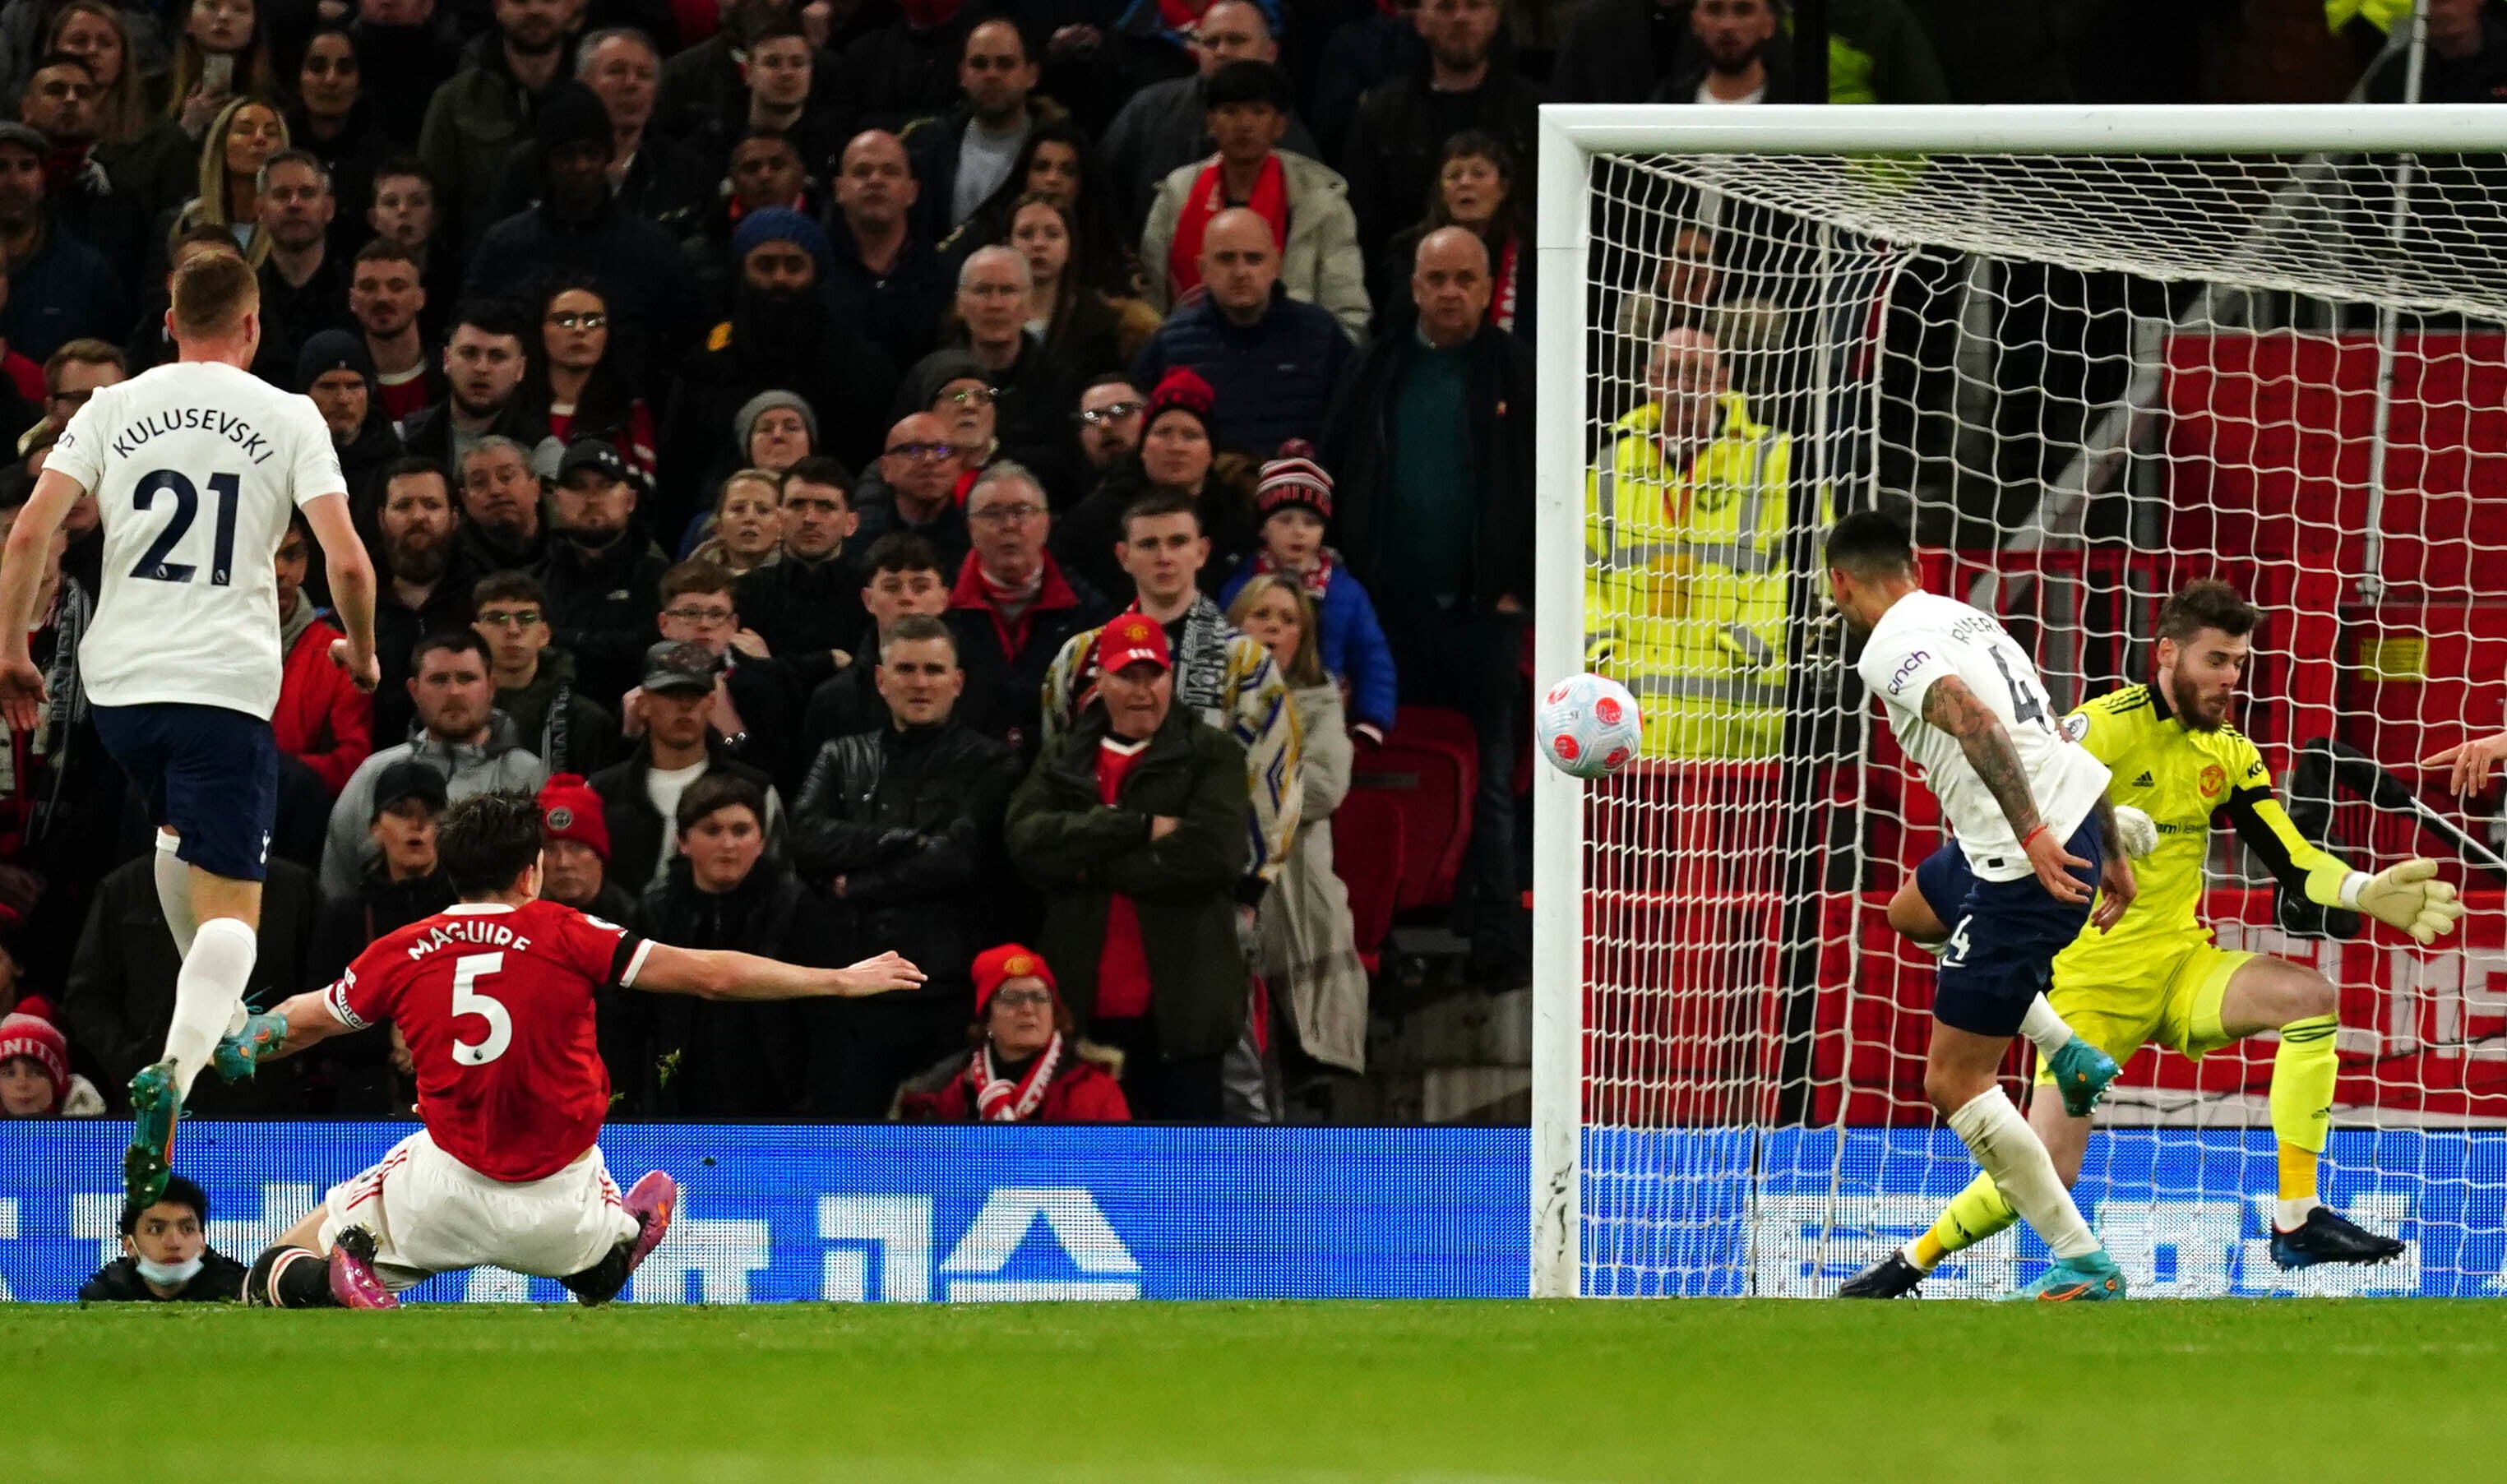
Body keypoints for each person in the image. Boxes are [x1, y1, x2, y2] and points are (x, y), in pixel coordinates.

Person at [1840, 580, 2457, 1298]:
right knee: (2047, 1167)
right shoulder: (2097, 726)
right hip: (2089, 987)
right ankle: (1908, 1264)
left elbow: (2290, 857)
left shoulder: (2230, 753)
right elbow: (2018, 806)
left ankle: (2295, 1220)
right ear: (2166, 653)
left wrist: (2362, 891)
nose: (2230, 679)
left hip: (2180, 968)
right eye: (2216, 661)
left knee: (2308, 998)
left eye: (2239, 664)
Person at [0, 248, 378, 1213]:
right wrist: (365, 656)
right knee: (234, 921)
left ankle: (228, 1023)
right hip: (221, 687)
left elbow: (29, 530)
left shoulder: (112, 404)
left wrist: (10, 648)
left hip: (122, 690)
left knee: (180, 840)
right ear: (252, 327)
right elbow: (347, 559)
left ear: (169, 322)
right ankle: (179, 1066)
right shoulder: (289, 414)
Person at [227, 791, 923, 1308]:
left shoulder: (400, 949)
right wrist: (838, 977)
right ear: (531, 870)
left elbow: (306, 1020)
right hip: (560, 1197)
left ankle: (347, 1272)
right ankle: (612, 1247)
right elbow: (713, 976)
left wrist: (234, 1041)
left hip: (440, 1190)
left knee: (271, 1271)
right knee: (589, 1243)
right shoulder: (569, 932)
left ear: (450, 870)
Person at [1822, 509, 2138, 1302]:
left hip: (2021, 869)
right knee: (1910, 913)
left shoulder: (1888, 646)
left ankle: (2082, 1259)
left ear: (1839, 581)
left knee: (1954, 1079)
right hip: (2056, 830)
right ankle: (2068, 1050)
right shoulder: (1967, 616)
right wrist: (2115, 855)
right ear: (1915, 567)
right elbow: (2056, 740)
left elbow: (1975, 720)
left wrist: (2031, 834)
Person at [1324, 225, 1533, 978]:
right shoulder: (1375, 367)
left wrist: (1522, 588)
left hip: (1485, 614)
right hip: (1386, 616)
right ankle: (1388, 920)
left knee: (1497, 774)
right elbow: (1337, 461)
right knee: (1380, 762)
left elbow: (1552, 489)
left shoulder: (1519, 371)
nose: (1450, 292)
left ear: (1488, 289)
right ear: (1413, 286)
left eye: (1465, 279)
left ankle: (1495, 931)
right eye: (1436, 278)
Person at [1005, 614, 1250, 1120]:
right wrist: (1135, 827)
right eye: (1126, 676)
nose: (1142, 691)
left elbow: (1216, 856)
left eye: (1153, 675)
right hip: (1081, 1010)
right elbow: (1027, 843)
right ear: (1100, 682)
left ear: (1170, 678)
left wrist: (1086, 866)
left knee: (1182, 1178)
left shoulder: (1212, 754)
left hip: (1183, 1013)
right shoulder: (1064, 757)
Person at [791, 613, 1020, 1116]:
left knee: (940, 1158)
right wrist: (902, 840)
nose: (920, 683)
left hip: (945, 993)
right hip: (849, 992)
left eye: (934, 670)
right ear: (880, 678)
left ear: (957, 682)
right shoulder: (839, 754)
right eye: (907, 669)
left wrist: (855, 884)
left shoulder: (992, 762)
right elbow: (803, 838)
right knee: (846, 1153)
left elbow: (957, 859)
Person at [1041, 488, 1300, 898]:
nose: (1164, 556)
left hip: (1208, 884)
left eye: (1177, 542)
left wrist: (1251, 882)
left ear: (1202, 551)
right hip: (1097, 882)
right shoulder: (1080, 657)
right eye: (1149, 544)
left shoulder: (1246, 662)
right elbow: (1054, 768)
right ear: (1124, 556)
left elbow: (1273, 776)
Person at [625, 773, 837, 1116]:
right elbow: (633, 1018)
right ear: (683, 840)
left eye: (740, 831)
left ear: (761, 841)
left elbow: (824, 1019)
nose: (728, 844)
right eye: (712, 830)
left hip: (780, 1098)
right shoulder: (655, 909)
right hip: (679, 1102)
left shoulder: (795, 905)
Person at [1225, 574, 1367, 1080]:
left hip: (1298, 877)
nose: (1273, 627)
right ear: (1236, 624)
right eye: (1261, 614)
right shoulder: (1204, 701)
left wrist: (1239, 785)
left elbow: (1326, 787)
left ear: (1301, 639)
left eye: (1288, 620)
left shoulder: (1320, 701)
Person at [1140, 61, 1368, 341]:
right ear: (1210, 122)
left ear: (1280, 125)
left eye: (1258, 112)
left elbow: (1347, 309)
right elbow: (1151, 304)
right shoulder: (1177, 192)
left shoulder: (1321, 199)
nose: (1244, 125)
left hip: (1295, 360)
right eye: (1230, 112)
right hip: (1190, 353)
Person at [321, 630, 545, 899]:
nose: (453, 692)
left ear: (492, 687)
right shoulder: (374, 772)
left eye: (467, 678)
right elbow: (337, 881)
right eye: (439, 680)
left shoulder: (528, 774)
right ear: (414, 691)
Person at [1132, 210, 1355, 456]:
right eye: (1226, 259)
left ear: (1276, 265)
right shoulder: (1171, 342)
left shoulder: (1321, 334)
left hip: (1301, 488)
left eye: (1254, 259)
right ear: (1203, 268)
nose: (1240, 272)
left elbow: (1354, 426)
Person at [1339, 0, 1542, 266]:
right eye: (1446, 7)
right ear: (1420, 20)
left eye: (1474, 5)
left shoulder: (1536, 113)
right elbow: (1366, 226)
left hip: (1522, 284)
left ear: (1496, 15)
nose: (1460, 17)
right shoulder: (1381, 116)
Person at [1099, 1, 1321, 229]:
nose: (1222, 51)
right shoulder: (1147, 109)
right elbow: (1100, 189)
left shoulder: (1288, 132)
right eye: (1211, 42)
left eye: (1236, 40)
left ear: (1270, 52)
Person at [590, 639, 785, 891]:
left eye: (695, 693)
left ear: (711, 702)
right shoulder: (600, 793)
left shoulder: (755, 791)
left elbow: (779, 885)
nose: (685, 705)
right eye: (671, 693)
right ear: (644, 703)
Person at [945, 460, 1104, 757]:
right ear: (970, 528)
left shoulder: (1089, 612)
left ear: (1046, 524)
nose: (1009, 525)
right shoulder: (941, 610)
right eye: (993, 514)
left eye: (1022, 512)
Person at [895, 942, 1131, 1122]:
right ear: (987, 1017)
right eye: (1012, 998)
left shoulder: (1095, 1087)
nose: (1028, 1009)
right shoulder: (940, 1090)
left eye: (1040, 997)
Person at [419, 0, 576, 251]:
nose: (534, 9)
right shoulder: (455, 100)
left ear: (572, 6)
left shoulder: (597, 94)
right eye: (520, 0)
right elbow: (431, 204)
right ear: (497, 6)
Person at [535, 437, 668, 710]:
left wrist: (564, 639)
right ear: (557, 500)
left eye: (605, 487)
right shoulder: (534, 580)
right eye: (578, 487)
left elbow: (648, 654)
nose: (593, 499)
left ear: (630, 500)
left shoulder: (660, 579)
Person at [900, 16, 1054, 238]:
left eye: (1005, 64)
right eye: (979, 64)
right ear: (962, 74)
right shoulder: (924, 146)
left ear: (1031, 75)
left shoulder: (1059, 149)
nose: (991, 75)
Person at [308, 759, 456, 986]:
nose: (417, 824)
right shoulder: (345, 918)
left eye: (430, 813)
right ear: (375, 828)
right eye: (401, 812)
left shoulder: (467, 908)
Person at [1375, 132, 1530, 338]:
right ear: (1441, 191)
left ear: (1503, 188)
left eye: (1478, 174)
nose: (1465, 183)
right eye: (1454, 176)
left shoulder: (1531, 250)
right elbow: (1398, 325)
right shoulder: (1407, 249)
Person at [824, 129, 952, 376]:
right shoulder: (813, 272)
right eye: (862, 172)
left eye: (890, 172)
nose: (875, 180)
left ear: (912, 191)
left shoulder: (945, 277)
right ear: (839, 189)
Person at [804, 531, 950, 746]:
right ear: (868, 600)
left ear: (943, 599)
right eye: (892, 587)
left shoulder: (977, 688)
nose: (907, 598)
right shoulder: (833, 700)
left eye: (921, 587)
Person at [0, 118, 127, 363]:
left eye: (27, 166)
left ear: (43, 180)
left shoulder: (87, 272)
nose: (14, 181)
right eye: (0, 167)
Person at [18, 51, 150, 284]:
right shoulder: (9, 185)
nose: (70, 99)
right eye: (56, 90)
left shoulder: (119, 193)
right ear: (26, 108)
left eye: (83, 93)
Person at [473, 570, 618, 777]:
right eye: (497, 618)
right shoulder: (456, 711)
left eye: (527, 617)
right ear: (476, 633)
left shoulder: (586, 720)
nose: (513, 630)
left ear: (544, 634)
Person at [271, 507, 375, 794]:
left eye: (292, 555)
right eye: (265, 554)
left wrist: (276, 771)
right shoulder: (207, 640)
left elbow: (353, 761)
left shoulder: (338, 653)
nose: (280, 570)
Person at [368, 458, 471, 742]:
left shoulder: (481, 601)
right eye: (403, 506)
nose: (417, 517)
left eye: (431, 505)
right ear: (382, 518)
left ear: (454, 517)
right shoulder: (353, 600)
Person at [516, 280, 657, 483]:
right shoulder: (511, 409)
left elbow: (639, 495)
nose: (580, 330)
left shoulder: (630, 417)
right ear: (540, 329)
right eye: (565, 320)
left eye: (593, 322)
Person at [738, 457, 868, 666]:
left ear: (851, 523)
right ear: (779, 519)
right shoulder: (746, 591)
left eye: (825, 506)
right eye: (797, 504)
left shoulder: (871, 594)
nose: (810, 518)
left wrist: (770, 666)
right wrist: (828, 662)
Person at [400, 302, 548, 484]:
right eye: (469, 353)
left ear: (520, 368)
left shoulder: (541, 450)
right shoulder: (403, 438)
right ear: (447, 360)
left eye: (497, 356)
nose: (481, 368)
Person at [76, 1174, 248, 1300]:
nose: (173, 1243)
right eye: (155, 1230)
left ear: (202, 1243)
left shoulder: (238, 1292)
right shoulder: (103, 1298)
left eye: (187, 1229)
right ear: (129, 1245)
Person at [252, 150, 351, 368]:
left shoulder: (355, 294)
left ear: (329, 208)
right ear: (260, 210)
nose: (294, 204)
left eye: (307, 194)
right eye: (281, 194)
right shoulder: (244, 299)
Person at [164, 95, 287, 270]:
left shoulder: (293, 226)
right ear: (220, 145)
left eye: (271, 133)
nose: (260, 138)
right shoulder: (182, 224)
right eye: (245, 131)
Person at [297, 329, 402, 512]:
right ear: (304, 394)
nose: (343, 399)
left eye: (354, 386)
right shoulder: (281, 459)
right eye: (328, 386)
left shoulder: (398, 466)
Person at [854, 411, 971, 574]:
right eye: (914, 450)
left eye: (941, 450)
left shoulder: (975, 543)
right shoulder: (859, 544)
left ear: (959, 467)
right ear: (885, 468)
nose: (930, 459)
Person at [349, 240, 442, 429]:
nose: (382, 297)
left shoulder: (451, 380)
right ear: (352, 300)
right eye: (368, 287)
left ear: (420, 298)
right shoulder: (340, 386)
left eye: (397, 286)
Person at [451, 434, 548, 574]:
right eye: (479, 482)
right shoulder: (451, 560)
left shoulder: (569, 548)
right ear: (465, 499)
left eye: (506, 477)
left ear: (535, 487)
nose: (495, 490)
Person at [1, 996, 105, 1115]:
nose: (21, 1084)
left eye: (37, 1073)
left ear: (57, 1083)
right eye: (10, 1073)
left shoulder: (86, 1128)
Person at [689, 469, 783, 575]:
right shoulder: (693, 570)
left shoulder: (795, 580)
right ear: (719, 527)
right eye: (738, 509)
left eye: (763, 510)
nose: (749, 518)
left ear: (783, 526)